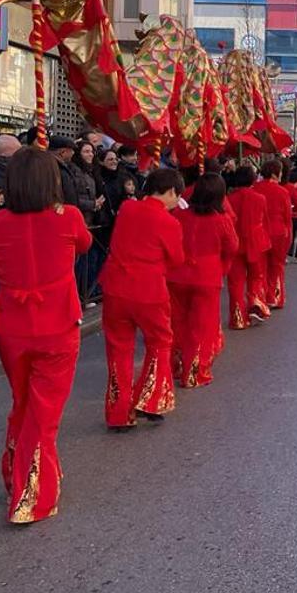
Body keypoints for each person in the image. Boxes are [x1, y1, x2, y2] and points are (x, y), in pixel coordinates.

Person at [0, 147, 92, 523]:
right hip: (57, 325)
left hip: (11, 326)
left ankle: (20, 475)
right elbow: (85, 245)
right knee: (43, 413)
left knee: (24, 402)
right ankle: (29, 497)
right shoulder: (69, 217)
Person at [98, 168, 184, 430]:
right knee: (160, 343)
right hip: (148, 290)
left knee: (118, 350)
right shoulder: (169, 222)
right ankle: (150, 398)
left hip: (115, 287)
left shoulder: (127, 208)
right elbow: (177, 259)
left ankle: (118, 412)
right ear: (171, 192)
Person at [168, 173, 238, 388]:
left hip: (178, 275)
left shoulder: (180, 215)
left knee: (176, 322)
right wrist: (222, 268)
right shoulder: (222, 220)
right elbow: (232, 247)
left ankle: (173, 364)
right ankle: (194, 371)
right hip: (207, 277)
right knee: (201, 326)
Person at [226, 166, 272, 329]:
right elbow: (265, 222)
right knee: (256, 277)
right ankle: (256, 304)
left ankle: (238, 317)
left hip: (236, 242)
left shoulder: (229, 199)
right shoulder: (260, 198)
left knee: (236, 282)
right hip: (256, 241)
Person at [255, 159, 293, 308]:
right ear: (275, 173)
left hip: (261, 231)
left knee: (261, 268)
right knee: (277, 266)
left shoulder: (255, 189)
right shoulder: (282, 191)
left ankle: (262, 296)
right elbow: (287, 216)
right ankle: (275, 297)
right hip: (279, 232)